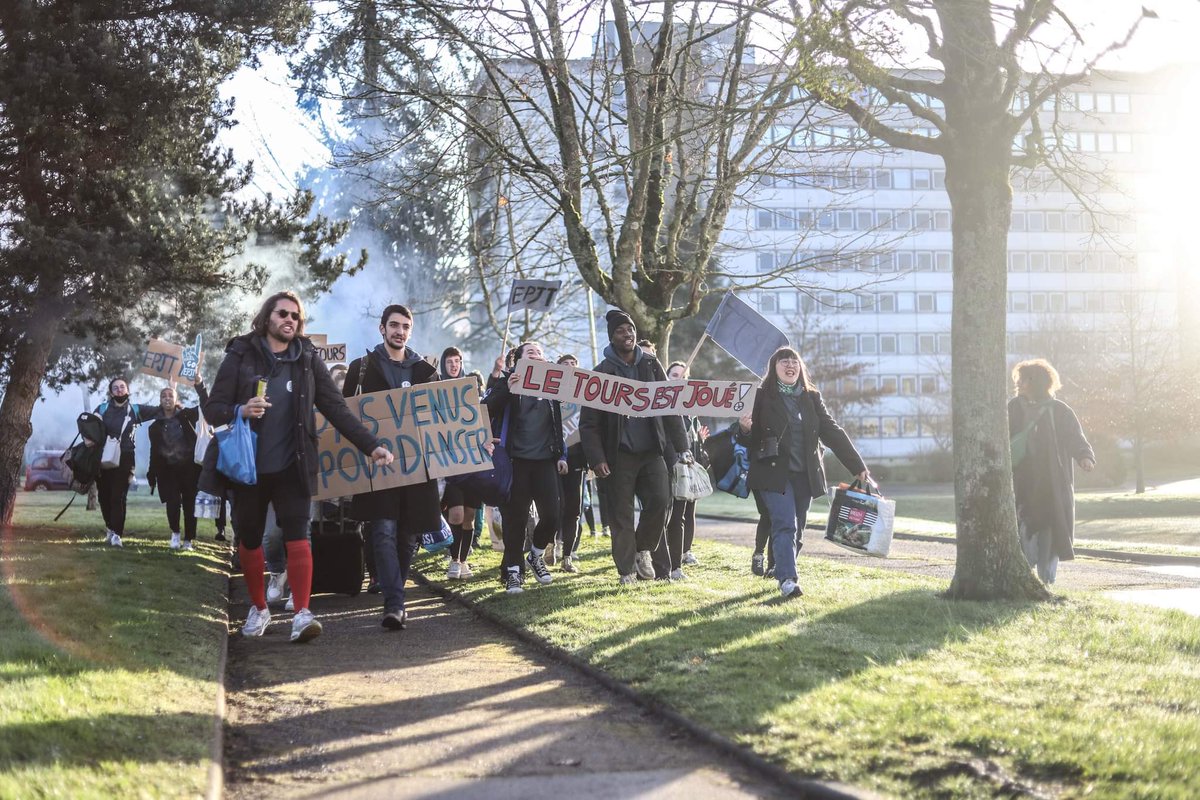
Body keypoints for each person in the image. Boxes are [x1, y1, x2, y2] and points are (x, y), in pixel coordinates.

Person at [204, 290, 394, 643]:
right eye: (282, 314)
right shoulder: (240, 353)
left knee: (298, 535)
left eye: (295, 316)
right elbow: (213, 409)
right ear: (266, 317)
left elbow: (335, 407)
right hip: (247, 468)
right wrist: (241, 410)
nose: (289, 320)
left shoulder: (306, 357)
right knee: (249, 539)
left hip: (293, 464)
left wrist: (371, 446)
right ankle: (259, 608)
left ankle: (302, 613)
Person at [739, 346, 870, 600]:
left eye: (794, 362)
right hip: (773, 474)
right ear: (773, 368)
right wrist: (744, 430)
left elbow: (833, 432)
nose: (790, 366)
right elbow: (747, 439)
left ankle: (780, 565)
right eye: (784, 362)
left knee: (797, 530)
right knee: (785, 523)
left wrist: (858, 466)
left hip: (805, 475)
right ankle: (788, 580)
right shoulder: (761, 396)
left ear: (800, 369)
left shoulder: (811, 398)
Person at [342, 304, 444, 629]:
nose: (400, 331)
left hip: (416, 469)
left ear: (409, 332)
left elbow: (444, 419)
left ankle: (395, 596)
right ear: (382, 329)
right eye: (394, 325)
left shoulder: (426, 373)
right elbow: (342, 417)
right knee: (383, 530)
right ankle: (395, 603)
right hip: (378, 467)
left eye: (405, 326)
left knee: (406, 536)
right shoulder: (360, 368)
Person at [579, 310, 688, 585]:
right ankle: (626, 571)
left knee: (661, 502)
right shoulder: (602, 372)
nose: (627, 335)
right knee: (621, 516)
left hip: (652, 452)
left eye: (630, 329)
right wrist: (596, 458)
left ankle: (643, 549)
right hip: (619, 456)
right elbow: (589, 423)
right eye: (620, 331)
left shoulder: (651, 365)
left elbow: (670, 406)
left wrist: (682, 446)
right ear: (612, 338)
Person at [483, 341, 568, 594]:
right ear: (518, 359)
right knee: (515, 521)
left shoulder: (553, 384)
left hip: (545, 461)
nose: (537, 355)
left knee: (553, 515)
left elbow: (561, 425)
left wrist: (562, 454)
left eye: (540, 353)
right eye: (531, 352)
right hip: (515, 462)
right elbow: (486, 411)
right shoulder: (508, 381)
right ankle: (513, 573)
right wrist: (507, 390)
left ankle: (536, 555)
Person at [1008, 358, 1096, 584]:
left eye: (1023, 379)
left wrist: (1085, 457)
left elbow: (1076, 438)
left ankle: (1046, 582)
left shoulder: (1059, 410)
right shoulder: (1013, 408)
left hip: (1052, 485)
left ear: (1036, 381)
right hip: (1021, 483)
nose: (1018, 383)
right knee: (1024, 529)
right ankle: (1025, 580)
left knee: (1050, 532)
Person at [652, 360, 709, 579]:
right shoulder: (662, 403)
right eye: (674, 375)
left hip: (685, 468)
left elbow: (691, 437)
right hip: (664, 465)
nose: (679, 378)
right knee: (662, 515)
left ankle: (676, 565)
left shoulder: (691, 409)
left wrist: (697, 444)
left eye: (683, 376)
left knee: (680, 516)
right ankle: (654, 558)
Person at [94, 378, 163, 547]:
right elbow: (90, 428)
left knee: (118, 496)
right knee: (104, 496)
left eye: (122, 387)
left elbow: (160, 410)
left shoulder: (135, 410)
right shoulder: (102, 409)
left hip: (125, 458)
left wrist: (172, 393)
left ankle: (117, 534)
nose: (119, 390)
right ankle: (110, 528)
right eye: (115, 388)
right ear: (111, 392)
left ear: (128, 390)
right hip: (103, 457)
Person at [146, 373, 209, 551]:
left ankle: (189, 540)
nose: (167, 399)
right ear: (160, 400)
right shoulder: (155, 426)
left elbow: (206, 405)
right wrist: (151, 473)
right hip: (167, 471)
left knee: (189, 504)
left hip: (189, 469)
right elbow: (154, 451)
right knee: (172, 503)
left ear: (176, 398)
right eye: (163, 396)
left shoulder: (187, 416)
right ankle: (175, 534)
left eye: (170, 395)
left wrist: (200, 385)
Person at [554, 353, 585, 573]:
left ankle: (567, 556)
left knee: (573, 508)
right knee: (555, 506)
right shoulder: (551, 395)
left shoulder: (584, 395)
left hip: (577, 459)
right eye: (565, 364)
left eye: (573, 364)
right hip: (552, 458)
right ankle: (549, 544)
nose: (570, 367)